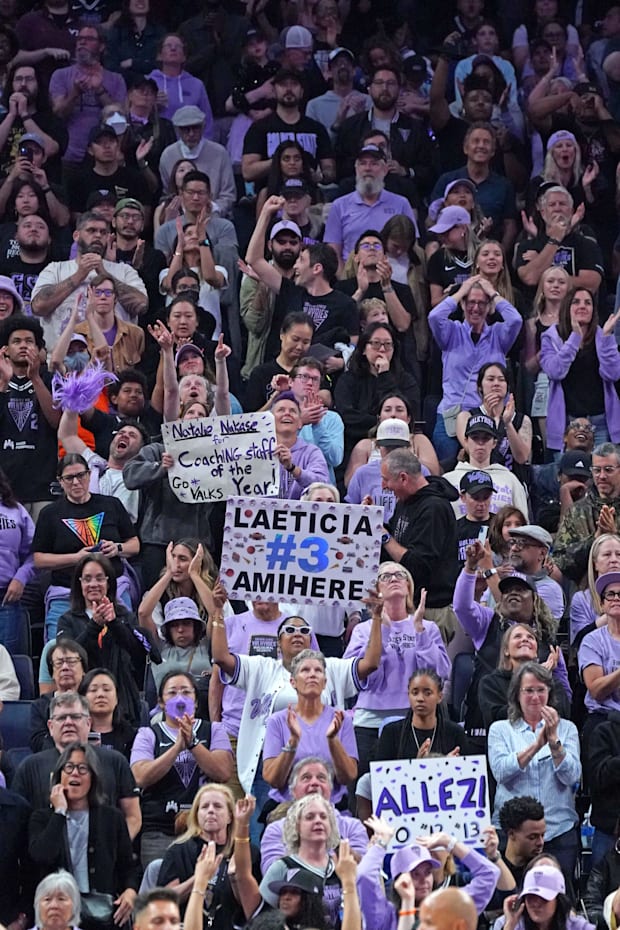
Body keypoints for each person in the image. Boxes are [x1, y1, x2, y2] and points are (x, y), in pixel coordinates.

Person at [210, 595, 381, 799]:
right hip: (274, 766)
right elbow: (221, 657)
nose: (297, 633)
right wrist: (219, 611)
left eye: (304, 631)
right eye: (289, 630)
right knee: (266, 829)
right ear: (279, 643)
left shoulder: (331, 668)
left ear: (312, 641)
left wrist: (377, 618)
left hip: (320, 770)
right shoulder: (263, 667)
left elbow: (370, 663)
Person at [454, 543, 570, 743]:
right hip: (483, 731)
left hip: (536, 736)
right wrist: (470, 568)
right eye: (507, 591)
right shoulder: (487, 622)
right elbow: (462, 607)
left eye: (521, 590)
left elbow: (565, 695)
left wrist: (546, 679)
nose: (512, 593)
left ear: (534, 600)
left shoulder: (547, 640)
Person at [344, 564, 451, 772]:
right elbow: (356, 677)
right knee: (367, 789)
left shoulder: (428, 627)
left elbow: (439, 674)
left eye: (400, 575)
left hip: (418, 719)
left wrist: (420, 632)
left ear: (408, 586)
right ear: (376, 589)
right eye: (385, 576)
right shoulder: (362, 630)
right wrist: (381, 632)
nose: (393, 578)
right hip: (370, 720)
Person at [28, 741, 140, 922]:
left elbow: (129, 866)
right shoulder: (42, 818)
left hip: (101, 914)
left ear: (93, 777)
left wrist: (130, 891)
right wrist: (59, 813)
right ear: (59, 776)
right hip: (57, 915)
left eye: (82, 768)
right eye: (69, 767)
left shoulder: (112, 818)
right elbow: (42, 856)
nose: (75, 773)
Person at [130, 670, 234, 865]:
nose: (180, 698)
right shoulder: (148, 734)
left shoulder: (214, 730)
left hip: (206, 832)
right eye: (172, 693)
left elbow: (223, 772)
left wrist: (193, 743)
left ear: (195, 701)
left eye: (186, 692)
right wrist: (177, 747)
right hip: (159, 831)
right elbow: (140, 777)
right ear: (161, 702)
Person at [32, 453, 140, 640]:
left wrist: (118, 548)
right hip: (66, 595)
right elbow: (39, 559)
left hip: (112, 592)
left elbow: (135, 544)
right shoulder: (49, 513)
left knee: (124, 644)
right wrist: (76, 558)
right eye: (69, 478)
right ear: (60, 481)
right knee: (59, 649)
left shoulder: (111, 504)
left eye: (81, 475)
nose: (76, 482)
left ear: (89, 475)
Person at [488, 662, 581, 876]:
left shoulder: (567, 729)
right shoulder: (500, 730)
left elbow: (572, 776)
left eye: (541, 690)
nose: (536, 697)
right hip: (512, 835)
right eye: (529, 690)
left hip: (557, 831)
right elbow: (501, 772)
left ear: (550, 693)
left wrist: (554, 743)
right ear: (516, 695)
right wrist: (536, 746)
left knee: (558, 901)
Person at [12, 690, 141, 840]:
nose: (68, 722)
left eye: (75, 717)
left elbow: (133, 816)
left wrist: (115, 850)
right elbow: (18, 822)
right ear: (50, 726)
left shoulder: (115, 761)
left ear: (88, 723)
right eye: (61, 718)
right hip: (45, 857)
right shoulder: (30, 766)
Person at [428, 274, 522, 461]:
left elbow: (516, 320)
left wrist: (493, 293)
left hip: (487, 415)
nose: (476, 308)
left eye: (482, 303)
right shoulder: (451, 332)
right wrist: (461, 291)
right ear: (462, 305)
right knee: (447, 471)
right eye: (470, 302)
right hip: (451, 415)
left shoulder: (498, 335)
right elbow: (434, 316)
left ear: (489, 307)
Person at [56, 553, 156, 726]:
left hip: (123, 698)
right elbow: (69, 657)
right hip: (81, 700)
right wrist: (94, 625)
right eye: (87, 579)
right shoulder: (67, 620)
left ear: (108, 582)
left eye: (99, 578)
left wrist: (114, 623)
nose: (93, 584)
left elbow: (140, 654)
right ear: (79, 584)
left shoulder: (124, 616)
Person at [31, 211, 148, 351]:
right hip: (63, 361)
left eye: (103, 232)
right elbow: (38, 307)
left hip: (115, 361)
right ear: (76, 235)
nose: (98, 235)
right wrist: (79, 275)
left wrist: (103, 273)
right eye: (91, 230)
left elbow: (141, 305)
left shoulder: (124, 271)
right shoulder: (56, 269)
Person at [357, 815, 500, 927]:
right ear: (399, 879)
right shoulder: (384, 916)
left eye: (428, 872)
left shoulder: (448, 907)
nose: (424, 879)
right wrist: (381, 844)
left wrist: (450, 843)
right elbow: (363, 875)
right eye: (415, 874)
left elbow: (490, 874)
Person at [380, 448, 460, 641]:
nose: (383, 486)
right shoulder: (405, 502)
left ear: (403, 478)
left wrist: (383, 537)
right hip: (408, 605)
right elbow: (393, 545)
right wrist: (372, 520)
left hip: (432, 611)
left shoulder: (434, 508)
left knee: (426, 671)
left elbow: (418, 565)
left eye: (386, 479)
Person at [263, 649, 358, 805]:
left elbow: (348, 776)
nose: (312, 674)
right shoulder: (278, 721)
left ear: (325, 682)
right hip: (287, 808)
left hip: (330, 807)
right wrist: (293, 740)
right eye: (305, 670)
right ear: (293, 682)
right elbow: (274, 780)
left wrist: (332, 740)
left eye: (318, 671)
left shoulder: (341, 719)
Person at [157, 784, 260, 927]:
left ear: (231, 816)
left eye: (217, 806)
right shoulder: (178, 851)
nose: (211, 811)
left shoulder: (246, 852)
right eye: (205, 807)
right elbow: (164, 900)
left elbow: (253, 909)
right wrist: (200, 877)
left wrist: (237, 879)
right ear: (197, 815)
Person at [540, 287, 620, 452]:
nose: (582, 306)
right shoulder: (551, 336)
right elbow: (555, 372)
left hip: (601, 422)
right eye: (576, 302)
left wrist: (606, 338)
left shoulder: (603, 336)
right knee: (568, 475)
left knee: (600, 474)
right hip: (568, 422)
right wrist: (574, 338)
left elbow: (613, 374)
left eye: (588, 303)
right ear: (567, 307)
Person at [334, 65, 437, 193]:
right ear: (369, 89)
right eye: (379, 83)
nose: (385, 88)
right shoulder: (351, 126)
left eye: (391, 83)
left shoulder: (416, 128)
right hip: (358, 195)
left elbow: (429, 170)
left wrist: (406, 171)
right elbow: (340, 167)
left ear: (399, 89)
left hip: (402, 195)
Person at [260, 756, 368, 871]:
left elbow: (365, 871)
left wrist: (336, 843)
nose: (314, 783)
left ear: (330, 789)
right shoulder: (276, 830)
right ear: (293, 791)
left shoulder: (353, 826)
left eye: (321, 778)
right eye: (306, 778)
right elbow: (270, 873)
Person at [0, 314, 60, 519]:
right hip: (5, 487)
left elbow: (57, 422)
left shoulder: (49, 379)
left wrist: (35, 379)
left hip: (43, 486)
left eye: (29, 341)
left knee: (41, 549)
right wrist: (4, 386)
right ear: (5, 349)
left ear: (39, 348)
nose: (23, 346)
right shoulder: (0, 381)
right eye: (16, 341)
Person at [334, 323, 421, 464]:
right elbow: (347, 417)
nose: (382, 350)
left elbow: (408, 412)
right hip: (357, 443)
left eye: (387, 345)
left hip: (399, 442)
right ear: (363, 349)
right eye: (376, 344)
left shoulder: (406, 380)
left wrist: (385, 376)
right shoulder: (348, 380)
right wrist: (381, 423)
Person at [324, 143, 418, 271]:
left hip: (392, 273)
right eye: (363, 163)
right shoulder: (339, 205)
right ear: (356, 169)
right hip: (352, 273)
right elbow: (333, 250)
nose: (368, 168)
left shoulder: (401, 203)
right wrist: (343, 280)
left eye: (374, 163)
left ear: (385, 170)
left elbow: (412, 245)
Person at [259, 795, 345, 926]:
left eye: (323, 816)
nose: (318, 821)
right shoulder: (282, 867)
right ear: (296, 826)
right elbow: (261, 918)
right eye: (310, 817)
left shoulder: (341, 869)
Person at [241, 68, 335, 189]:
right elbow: (248, 172)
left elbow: (330, 170)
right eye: (283, 85)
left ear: (302, 91)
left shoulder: (316, 128)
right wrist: (281, 161)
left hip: (308, 195)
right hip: (271, 196)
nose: (289, 89)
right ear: (274, 91)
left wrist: (320, 176)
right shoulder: (259, 128)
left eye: (294, 84)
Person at [430, 122, 518, 250]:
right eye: (476, 141)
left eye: (486, 142)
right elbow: (431, 219)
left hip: (488, 252)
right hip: (449, 250)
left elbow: (510, 226)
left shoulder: (504, 185)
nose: (481, 146)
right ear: (465, 148)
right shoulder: (447, 180)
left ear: (493, 151)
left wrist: (501, 253)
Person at [49, 24, 127, 166]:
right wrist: (75, 92)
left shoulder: (116, 79)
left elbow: (120, 118)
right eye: (80, 39)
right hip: (70, 155)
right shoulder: (61, 75)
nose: (82, 42)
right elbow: (59, 113)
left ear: (102, 46)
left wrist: (99, 90)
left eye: (89, 39)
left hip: (105, 158)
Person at [515, 186, 604, 301]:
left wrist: (544, 269)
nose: (557, 208)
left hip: (574, 311)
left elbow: (590, 284)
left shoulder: (587, 245)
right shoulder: (527, 246)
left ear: (571, 211)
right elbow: (530, 277)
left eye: (562, 204)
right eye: (552, 205)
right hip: (537, 313)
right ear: (542, 212)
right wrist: (555, 239)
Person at [478, 624, 571, 731]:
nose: (525, 640)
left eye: (530, 637)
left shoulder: (552, 683)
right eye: (518, 636)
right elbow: (497, 718)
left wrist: (540, 679)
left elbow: (562, 715)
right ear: (506, 650)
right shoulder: (490, 683)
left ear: (536, 652)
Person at [554, 443, 620, 585]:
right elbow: (561, 561)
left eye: (608, 470)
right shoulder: (577, 511)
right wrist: (594, 540)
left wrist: (613, 538)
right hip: (586, 595)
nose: (601, 476)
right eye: (597, 470)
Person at [443, 414, 529, 519]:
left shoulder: (510, 480)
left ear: (494, 443)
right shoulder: (448, 480)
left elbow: (523, 522)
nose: (480, 443)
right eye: (475, 438)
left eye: (486, 438)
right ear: (466, 441)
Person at [455, 362, 532, 474]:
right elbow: (476, 453)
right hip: (477, 478)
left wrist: (507, 424)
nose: (496, 383)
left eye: (501, 379)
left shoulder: (522, 420)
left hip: (512, 479)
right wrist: (494, 421)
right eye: (490, 379)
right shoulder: (466, 417)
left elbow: (522, 458)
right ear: (480, 386)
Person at [158, 106, 235, 215]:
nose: (191, 134)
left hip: (214, 215)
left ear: (203, 127)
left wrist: (211, 210)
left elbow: (228, 195)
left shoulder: (219, 153)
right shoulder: (168, 155)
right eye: (186, 129)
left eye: (195, 128)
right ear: (178, 130)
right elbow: (167, 193)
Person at [0, 464, 35, 653]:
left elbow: (35, 552)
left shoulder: (16, 511)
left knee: (7, 666)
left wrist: (21, 578)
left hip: (6, 599)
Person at [147, 35, 213, 134]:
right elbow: (136, 115)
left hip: (190, 141)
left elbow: (207, 120)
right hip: (157, 140)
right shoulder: (148, 82)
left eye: (178, 46)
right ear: (159, 55)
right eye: (168, 46)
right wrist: (152, 107)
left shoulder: (197, 85)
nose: (173, 49)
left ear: (184, 57)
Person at [501, 863, 593, 930]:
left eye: (543, 898)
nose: (536, 904)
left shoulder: (579, 927)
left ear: (559, 900)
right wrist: (510, 925)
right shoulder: (515, 926)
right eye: (530, 897)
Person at [570, 534, 620, 646]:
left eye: (619, 554)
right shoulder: (581, 599)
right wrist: (611, 614)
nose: (614, 560)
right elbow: (579, 641)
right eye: (607, 555)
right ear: (595, 563)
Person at [78, 667, 137, 759]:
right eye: (93, 690)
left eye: (106, 689)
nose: (100, 695)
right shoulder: (76, 734)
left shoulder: (132, 736)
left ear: (117, 698)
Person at [497, 796, 547, 888]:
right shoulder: (493, 871)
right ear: (511, 834)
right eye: (532, 837)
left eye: (542, 835)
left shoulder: (549, 871)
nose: (541, 842)